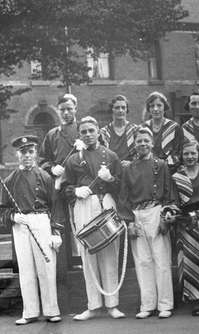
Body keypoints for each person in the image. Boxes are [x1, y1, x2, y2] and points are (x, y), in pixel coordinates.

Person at [62, 116, 125, 321]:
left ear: (98, 131)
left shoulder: (111, 156)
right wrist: (75, 190)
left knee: (110, 254)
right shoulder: (73, 159)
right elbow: (64, 188)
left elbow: (121, 187)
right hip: (84, 205)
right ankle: (93, 305)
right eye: (84, 132)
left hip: (105, 204)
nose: (88, 135)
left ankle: (112, 304)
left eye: (91, 130)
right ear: (79, 134)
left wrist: (111, 179)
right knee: (88, 255)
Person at [0, 135, 63, 325]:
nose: (27, 155)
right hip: (21, 225)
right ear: (17, 154)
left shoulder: (44, 177)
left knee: (46, 268)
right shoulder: (9, 180)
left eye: (30, 151)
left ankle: (52, 310)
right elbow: (3, 209)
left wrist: (55, 232)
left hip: (41, 221)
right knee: (26, 269)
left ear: (35, 153)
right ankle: (30, 311)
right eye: (23, 152)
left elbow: (56, 206)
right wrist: (12, 216)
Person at [119, 127, 178, 319]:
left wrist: (165, 216)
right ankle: (148, 304)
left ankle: (165, 304)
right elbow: (124, 198)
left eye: (146, 140)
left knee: (161, 260)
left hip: (156, 211)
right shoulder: (128, 168)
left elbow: (169, 192)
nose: (142, 144)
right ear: (134, 145)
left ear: (152, 143)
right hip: (137, 214)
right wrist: (129, 222)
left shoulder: (160, 165)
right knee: (143, 261)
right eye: (139, 141)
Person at [172, 141, 199, 316]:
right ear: (182, 156)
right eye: (186, 154)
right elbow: (173, 201)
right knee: (191, 261)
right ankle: (195, 300)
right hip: (186, 223)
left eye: (193, 153)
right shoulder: (176, 177)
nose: (190, 157)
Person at [40, 94, 80, 176]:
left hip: (81, 178)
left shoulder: (84, 131)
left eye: (69, 109)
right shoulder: (52, 134)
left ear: (75, 109)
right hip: (60, 179)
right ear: (58, 111)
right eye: (62, 110)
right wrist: (52, 168)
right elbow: (42, 160)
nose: (66, 113)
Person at [142, 92, 183, 169]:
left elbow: (178, 152)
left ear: (165, 107)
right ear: (148, 109)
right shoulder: (143, 127)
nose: (155, 109)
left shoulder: (174, 127)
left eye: (159, 105)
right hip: (147, 168)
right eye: (152, 106)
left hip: (169, 168)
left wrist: (164, 164)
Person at [99, 95, 138, 163]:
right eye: (117, 108)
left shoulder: (135, 130)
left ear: (127, 110)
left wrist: (131, 163)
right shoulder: (103, 132)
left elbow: (141, 154)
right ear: (112, 109)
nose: (120, 110)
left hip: (131, 169)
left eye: (123, 107)